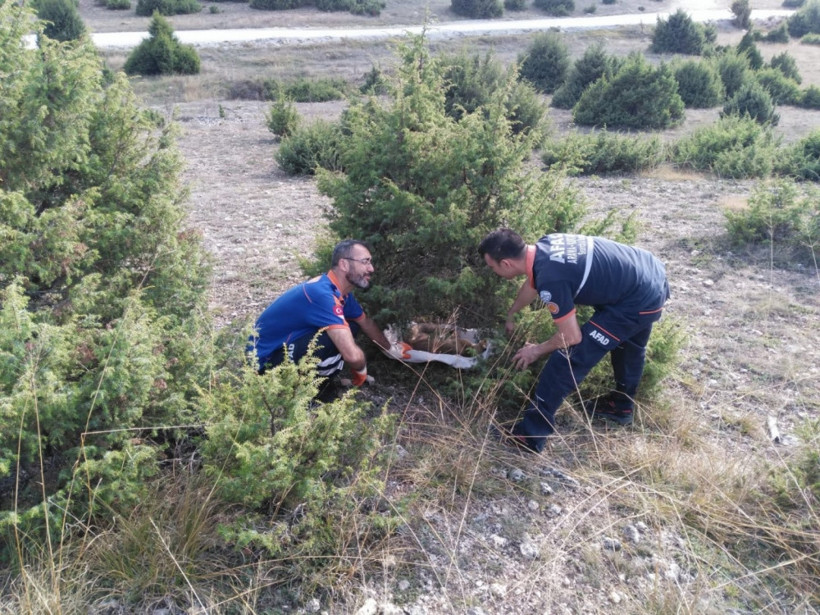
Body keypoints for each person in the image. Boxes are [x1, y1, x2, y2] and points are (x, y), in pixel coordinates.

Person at [479, 229, 670, 453]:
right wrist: (512, 313)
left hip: (638, 300)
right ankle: (621, 407)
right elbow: (533, 282)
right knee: (629, 346)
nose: (492, 271)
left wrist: (537, 350)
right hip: (650, 273)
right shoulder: (544, 246)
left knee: (567, 359)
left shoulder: (552, 278)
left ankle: (529, 436)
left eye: (492, 267)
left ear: (507, 264)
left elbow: (571, 336)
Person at [248, 239, 409, 400]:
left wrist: (391, 350)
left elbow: (366, 323)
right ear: (344, 264)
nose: (371, 268)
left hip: (284, 350)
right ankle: (311, 395)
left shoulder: (340, 292)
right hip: (264, 364)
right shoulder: (322, 295)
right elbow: (352, 356)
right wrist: (360, 370)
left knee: (351, 326)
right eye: (365, 262)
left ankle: (317, 382)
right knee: (331, 340)